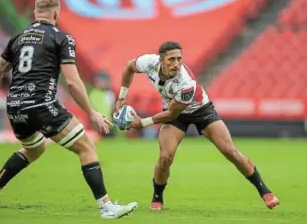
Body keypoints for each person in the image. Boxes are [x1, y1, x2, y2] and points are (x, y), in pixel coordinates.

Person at [0, 0, 137, 219]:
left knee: (35, 149)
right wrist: (91, 113)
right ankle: (106, 207)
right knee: (86, 147)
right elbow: (71, 81)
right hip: (41, 103)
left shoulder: (18, 38)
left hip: (15, 106)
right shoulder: (61, 37)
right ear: (57, 13)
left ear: (35, 13)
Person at [113, 41, 279, 211]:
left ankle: (264, 191)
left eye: (179, 59)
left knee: (230, 151)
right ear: (161, 60)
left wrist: (141, 123)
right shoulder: (149, 62)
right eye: (171, 59)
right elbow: (128, 67)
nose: (176, 64)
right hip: (174, 112)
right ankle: (157, 198)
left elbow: (171, 114)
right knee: (165, 157)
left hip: (201, 111)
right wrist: (121, 98)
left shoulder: (186, 83)